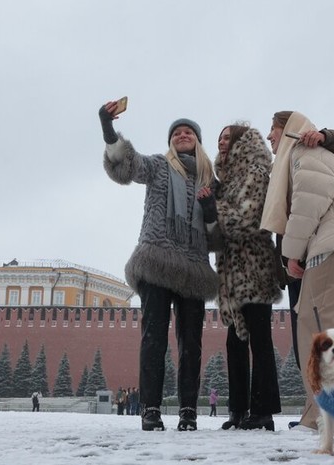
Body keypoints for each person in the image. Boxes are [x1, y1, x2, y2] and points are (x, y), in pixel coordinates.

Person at [99, 101, 218, 431]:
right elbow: (127, 166)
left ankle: (188, 412)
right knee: (153, 338)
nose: (182, 135)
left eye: (189, 131)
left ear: (197, 140)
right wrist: (109, 129)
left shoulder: (210, 181)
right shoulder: (158, 167)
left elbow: (218, 236)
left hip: (193, 268)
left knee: (191, 344)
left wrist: (209, 209)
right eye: (177, 132)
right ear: (171, 142)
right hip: (156, 261)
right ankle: (150, 409)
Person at [261, 111, 334, 432]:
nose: (269, 137)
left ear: (286, 130)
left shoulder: (306, 153)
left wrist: (291, 254)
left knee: (318, 333)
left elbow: (306, 206)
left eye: (272, 130)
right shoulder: (300, 159)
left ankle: (331, 419)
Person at [199, 125, 283, 431]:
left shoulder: (256, 171)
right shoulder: (227, 180)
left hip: (254, 269)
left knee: (260, 340)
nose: (221, 142)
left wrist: (213, 208)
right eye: (218, 137)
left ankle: (263, 411)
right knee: (235, 342)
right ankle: (237, 410)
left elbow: (247, 219)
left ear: (241, 142)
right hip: (231, 276)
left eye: (227, 137)